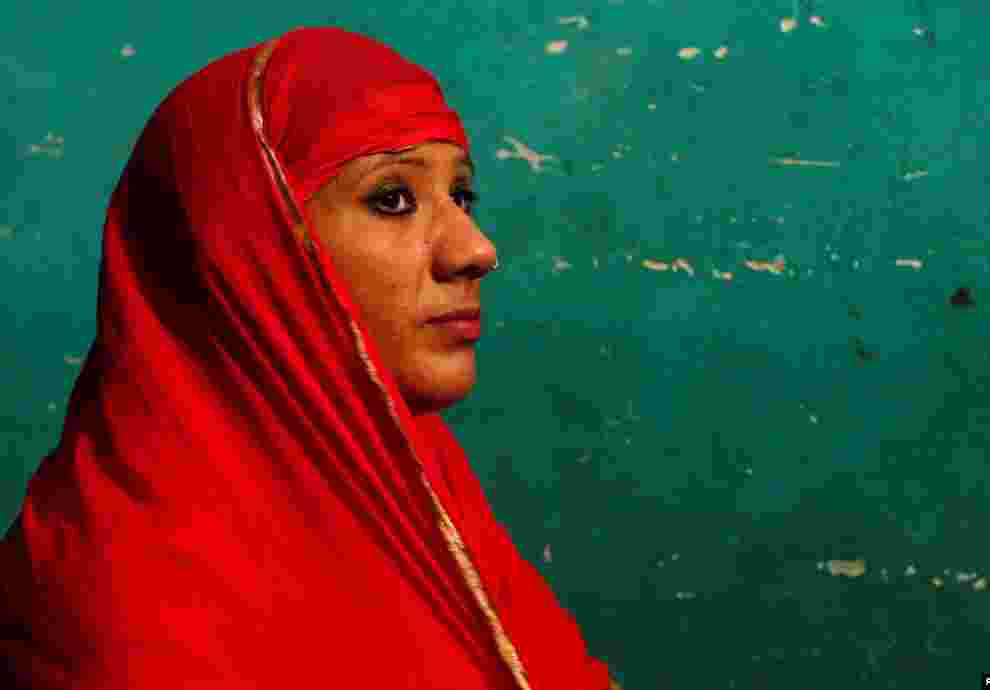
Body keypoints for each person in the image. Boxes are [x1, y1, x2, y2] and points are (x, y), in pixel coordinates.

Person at [0, 26, 623, 690]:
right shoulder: (129, 620)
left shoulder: (415, 493)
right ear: (245, 251)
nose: (475, 249)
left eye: (461, 196)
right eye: (393, 199)